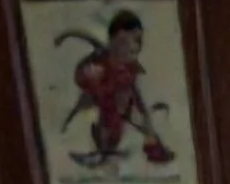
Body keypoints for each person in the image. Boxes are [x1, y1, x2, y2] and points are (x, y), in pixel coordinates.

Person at [58, 11, 175, 168]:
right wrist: (92, 79)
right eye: (129, 41)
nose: (136, 46)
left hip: (124, 105)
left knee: (141, 122)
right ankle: (102, 150)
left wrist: (140, 112)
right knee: (105, 125)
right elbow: (84, 81)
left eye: (138, 41)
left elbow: (134, 91)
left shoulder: (130, 68)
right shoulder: (99, 64)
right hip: (103, 104)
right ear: (114, 41)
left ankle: (153, 150)